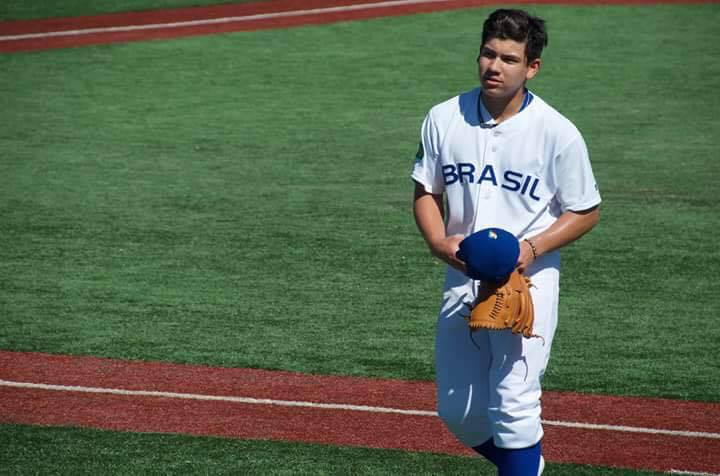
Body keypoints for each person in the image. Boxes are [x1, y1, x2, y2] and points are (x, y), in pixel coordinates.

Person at [411, 9, 601, 475]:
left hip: (528, 285)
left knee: (515, 403)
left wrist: (529, 250)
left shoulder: (557, 133)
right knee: (457, 410)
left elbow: (586, 209)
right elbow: (425, 191)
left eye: (510, 59)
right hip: (462, 277)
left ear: (531, 67)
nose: (494, 66)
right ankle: (526, 467)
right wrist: (439, 243)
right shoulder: (443, 118)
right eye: (488, 54)